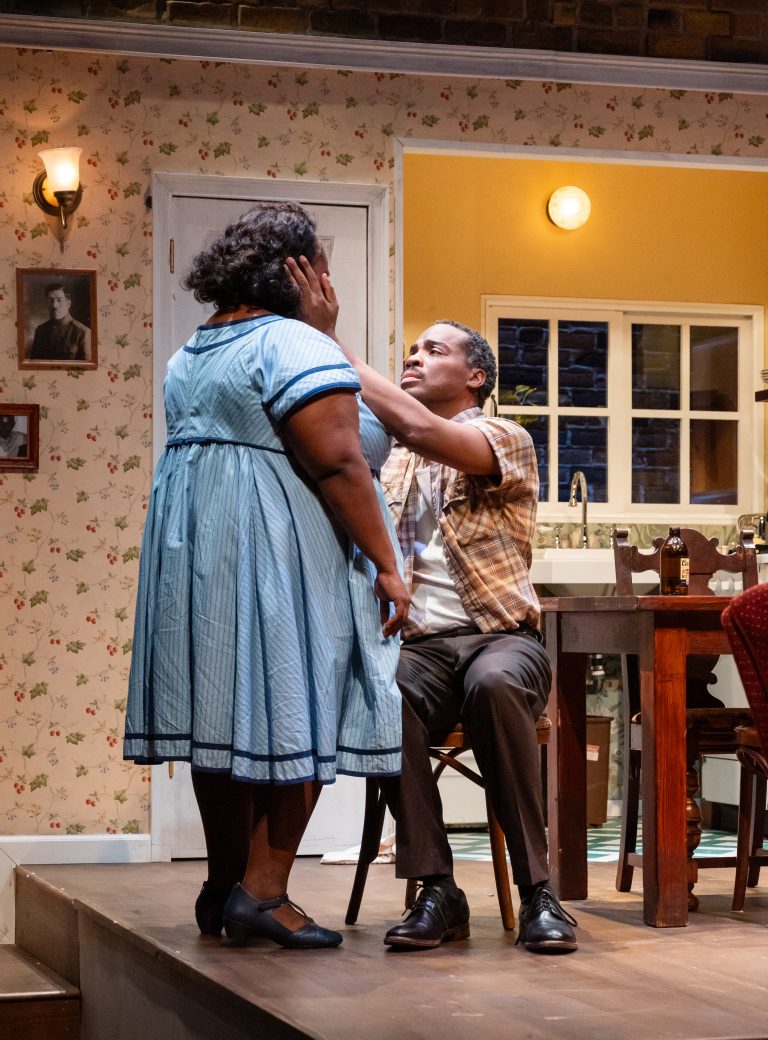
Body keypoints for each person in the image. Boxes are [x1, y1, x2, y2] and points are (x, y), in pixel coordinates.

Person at [124, 203, 409, 951]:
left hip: (204, 550)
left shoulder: (196, 348)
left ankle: (225, 884)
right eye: (320, 262)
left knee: (223, 717)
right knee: (305, 703)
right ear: (297, 271)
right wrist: (387, 563)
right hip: (277, 549)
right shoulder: (290, 343)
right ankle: (264, 891)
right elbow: (339, 461)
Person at [288, 255, 578, 954]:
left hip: (500, 637)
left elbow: (422, 428)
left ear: (476, 375)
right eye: (411, 350)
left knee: (495, 685)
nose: (414, 357)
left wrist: (329, 340)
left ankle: (541, 894)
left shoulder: (504, 438)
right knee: (382, 695)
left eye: (434, 350)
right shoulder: (390, 458)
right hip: (418, 645)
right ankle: (437, 888)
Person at [28, 282, 90, 361]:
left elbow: (87, 368)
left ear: (68, 303)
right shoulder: (40, 330)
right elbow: (34, 363)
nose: (54, 305)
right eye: (50, 300)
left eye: (59, 300)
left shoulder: (83, 332)